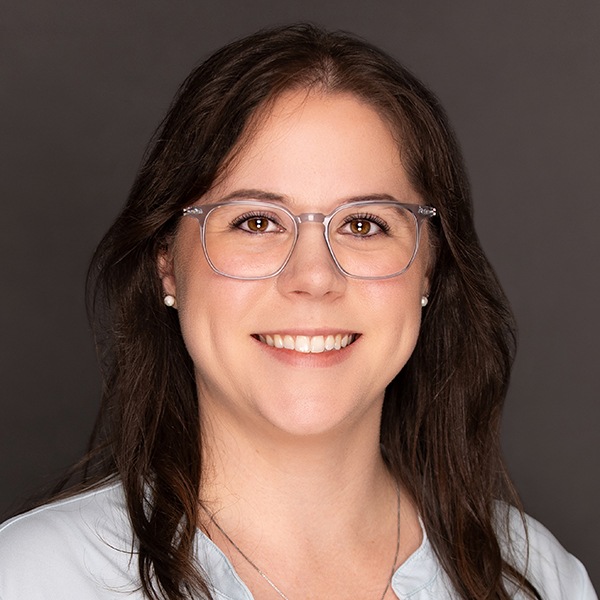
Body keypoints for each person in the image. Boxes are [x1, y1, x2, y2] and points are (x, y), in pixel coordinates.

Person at [0, 23, 596, 600]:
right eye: (256, 222)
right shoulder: (34, 579)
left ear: (430, 269)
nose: (314, 278)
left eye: (365, 225)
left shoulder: (535, 579)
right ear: (167, 266)